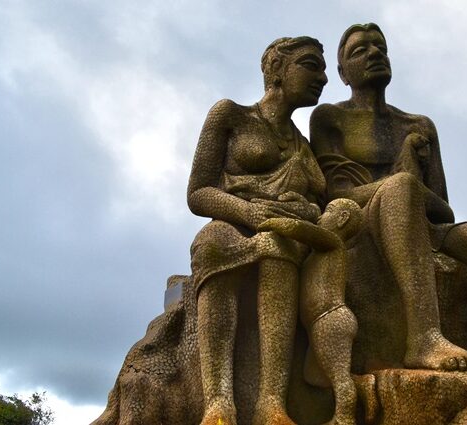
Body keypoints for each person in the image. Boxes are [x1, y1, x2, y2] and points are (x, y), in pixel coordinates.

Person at [310, 23, 467, 423]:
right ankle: (424, 338)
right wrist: (402, 172)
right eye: (359, 51)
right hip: (361, 220)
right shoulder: (330, 118)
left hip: (421, 223)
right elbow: (333, 194)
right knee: (403, 185)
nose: (374, 54)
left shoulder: (418, 125)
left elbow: (443, 209)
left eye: (380, 47)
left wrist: (407, 174)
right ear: (342, 73)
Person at [187, 36, 328, 425]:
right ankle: (217, 401)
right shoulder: (230, 115)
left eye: (324, 68)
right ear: (277, 69)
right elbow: (198, 193)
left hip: (284, 233)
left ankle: (271, 401)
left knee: (277, 249)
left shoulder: (305, 144)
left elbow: (321, 203)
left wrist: (302, 212)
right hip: (232, 221)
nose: (324, 77)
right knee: (213, 242)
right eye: (311, 65)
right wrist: (251, 213)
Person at [258, 198, 363, 425]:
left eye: (328, 212)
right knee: (313, 376)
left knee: (338, 377)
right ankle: (364, 390)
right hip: (319, 323)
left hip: (330, 317)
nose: (320, 217)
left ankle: (345, 418)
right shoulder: (316, 254)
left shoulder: (333, 242)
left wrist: (273, 222)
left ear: (342, 219)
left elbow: (301, 229)